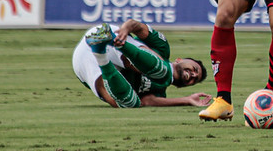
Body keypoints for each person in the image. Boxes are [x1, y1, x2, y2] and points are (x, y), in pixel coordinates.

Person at [75, 20, 210, 108]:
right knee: (163, 72)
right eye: (195, 69)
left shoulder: (159, 92)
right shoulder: (163, 47)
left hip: (85, 62)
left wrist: (188, 100)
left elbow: (147, 102)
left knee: (129, 104)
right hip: (113, 39)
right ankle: (111, 40)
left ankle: (99, 53)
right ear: (179, 59)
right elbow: (137, 26)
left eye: (195, 79)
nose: (193, 74)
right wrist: (125, 29)